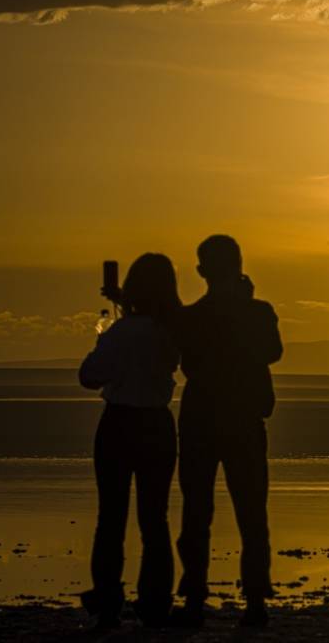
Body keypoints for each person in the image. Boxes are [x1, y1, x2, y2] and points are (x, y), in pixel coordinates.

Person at [173, 235, 283, 628]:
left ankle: (194, 599)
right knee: (251, 512)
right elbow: (272, 351)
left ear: (202, 271)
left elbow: (184, 360)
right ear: (238, 266)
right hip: (243, 418)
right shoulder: (258, 312)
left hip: (202, 418)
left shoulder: (192, 317)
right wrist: (246, 303)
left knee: (197, 510)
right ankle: (255, 600)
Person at [78, 253, 182, 630]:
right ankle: (156, 604)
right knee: (155, 519)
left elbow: (89, 376)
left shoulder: (121, 333)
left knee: (111, 518)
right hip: (157, 424)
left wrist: (103, 338)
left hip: (119, 424)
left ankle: (107, 603)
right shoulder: (171, 330)